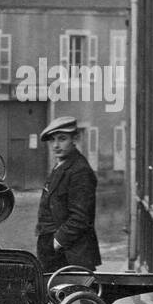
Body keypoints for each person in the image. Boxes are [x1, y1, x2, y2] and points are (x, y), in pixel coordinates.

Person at [36, 115, 101, 272]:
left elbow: (80, 218)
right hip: (55, 251)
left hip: (70, 254)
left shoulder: (80, 170)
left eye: (62, 139)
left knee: (70, 295)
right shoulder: (62, 165)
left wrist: (55, 242)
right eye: (52, 140)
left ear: (75, 139)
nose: (56, 145)